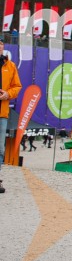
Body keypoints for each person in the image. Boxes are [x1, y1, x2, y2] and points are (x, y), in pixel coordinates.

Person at [0, 39, 23, 193]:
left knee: (0, 150)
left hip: (2, 113)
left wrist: (7, 94)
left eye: (0, 44)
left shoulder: (10, 65)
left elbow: (17, 86)